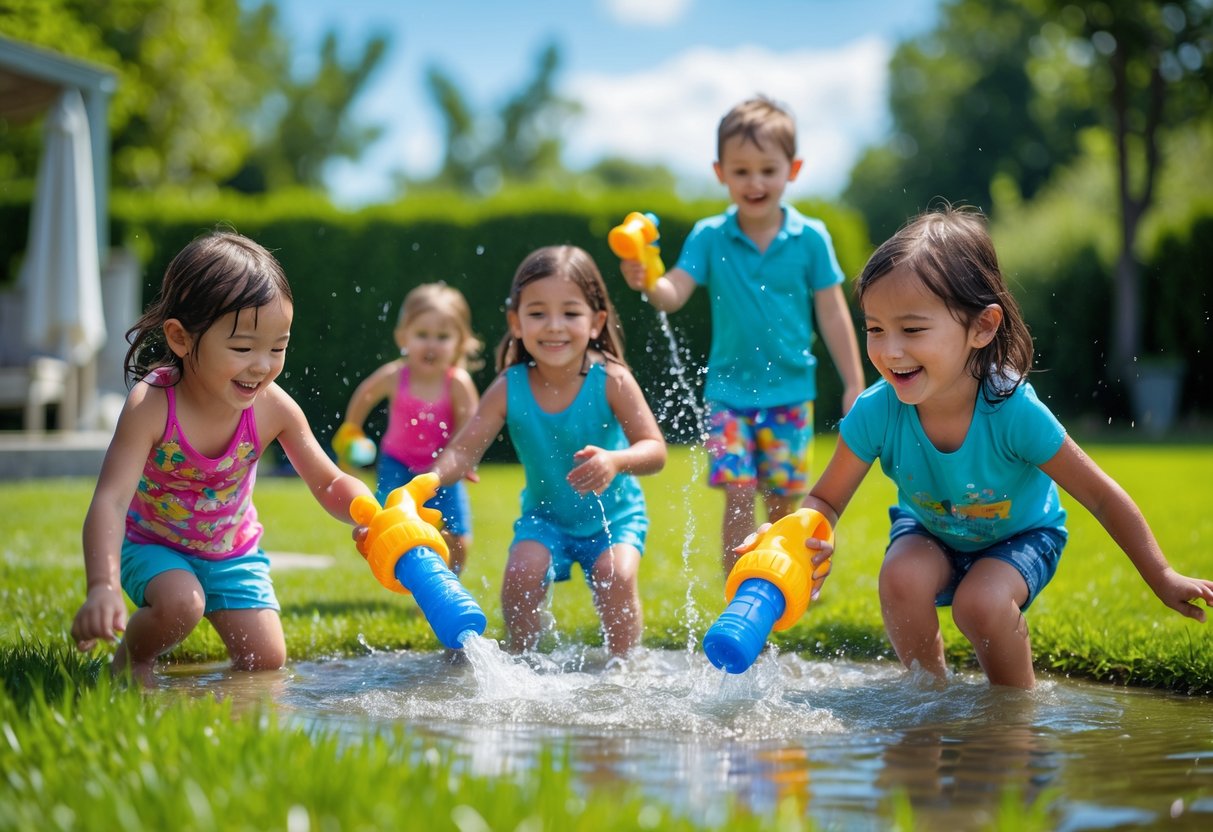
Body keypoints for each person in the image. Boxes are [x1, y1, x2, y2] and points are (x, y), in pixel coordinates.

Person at [790, 205, 1213, 689]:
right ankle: (927, 699)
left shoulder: (1012, 411)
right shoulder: (876, 411)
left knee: (981, 603)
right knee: (899, 577)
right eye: (875, 328)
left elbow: (1099, 494)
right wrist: (804, 540)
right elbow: (826, 498)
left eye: (912, 329)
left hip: (1022, 536)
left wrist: (1162, 575)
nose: (889, 351)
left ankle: (1013, 718)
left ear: (982, 327)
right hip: (932, 530)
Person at [70, 230, 374, 686]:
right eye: (242, 348)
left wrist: (368, 513)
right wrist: (102, 587)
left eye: (278, 347)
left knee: (266, 661)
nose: (262, 365)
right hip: (154, 545)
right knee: (181, 604)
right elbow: (111, 501)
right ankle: (131, 663)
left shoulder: (273, 407)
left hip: (234, 552)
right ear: (180, 338)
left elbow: (329, 482)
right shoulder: (152, 405)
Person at [618, 95, 865, 577]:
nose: (755, 182)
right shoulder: (710, 236)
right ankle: (738, 590)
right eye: (742, 170)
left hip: (790, 393)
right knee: (738, 491)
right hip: (728, 394)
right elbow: (673, 293)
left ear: (792, 170)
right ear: (720, 172)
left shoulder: (810, 238)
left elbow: (834, 313)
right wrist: (647, 279)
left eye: (767, 170)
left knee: (781, 503)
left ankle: (777, 586)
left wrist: (854, 383)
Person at [431, 245, 667, 657]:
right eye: (538, 313)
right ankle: (520, 662)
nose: (554, 326)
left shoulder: (612, 379)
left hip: (614, 518)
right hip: (545, 518)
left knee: (616, 575)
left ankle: (625, 669)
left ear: (596, 322)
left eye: (571, 314)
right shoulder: (509, 386)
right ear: (516, 323)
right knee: (521, 573)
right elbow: (462, 450)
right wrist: (429, 481)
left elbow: (655, 450)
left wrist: (616, 460)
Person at [335, 283, 481, 575]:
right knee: (392, 523)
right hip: (397, 464)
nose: (431, 345)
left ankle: (447, 588)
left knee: (458, 536)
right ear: (403, 337)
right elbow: (364, 396)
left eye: (442, 337)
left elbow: (473, 425)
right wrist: (352, 430)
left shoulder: (457, 382)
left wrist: (466, 458)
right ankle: (413, 577)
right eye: (422, 335)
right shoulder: (395, 376)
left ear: (459, 343)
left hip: (441, 469)